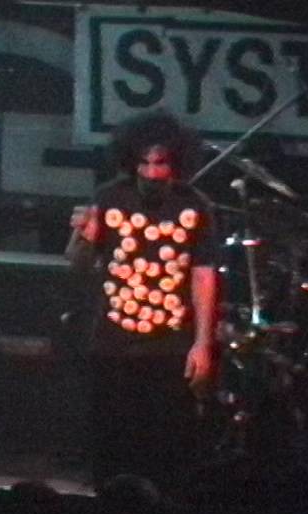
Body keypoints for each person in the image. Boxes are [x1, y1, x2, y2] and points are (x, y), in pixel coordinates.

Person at [65, 111, 220, 490]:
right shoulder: (109, 197)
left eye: (160, 163)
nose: (151, 172)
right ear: (131, 160)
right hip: (113, 341)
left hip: (170, 343)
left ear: (175, 163)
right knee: (111, 438)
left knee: (165, 442)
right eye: (144, 163)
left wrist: (202, 343)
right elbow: (78, 262)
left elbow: (203, 276)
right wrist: (82, 237)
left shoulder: (195, 206)